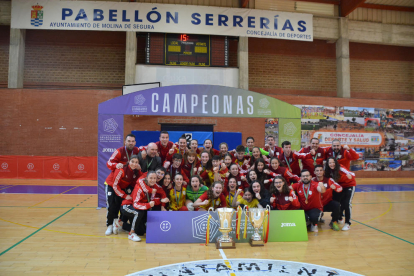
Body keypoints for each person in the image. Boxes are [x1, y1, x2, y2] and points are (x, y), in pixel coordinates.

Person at [104, 154, 142, 236]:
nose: (134, 164)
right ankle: (109, 225)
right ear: (129, 161)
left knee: (120, 206)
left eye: (136, 162)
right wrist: (124, 195)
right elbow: (115, 185)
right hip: (111, 185)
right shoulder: (121, 169)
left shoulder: (136, 171)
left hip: (121, 188)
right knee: (111, 206)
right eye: (132, 162)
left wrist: (140, 171)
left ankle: (117, 223)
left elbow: (139, 179)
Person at [120, 171, 163, 242]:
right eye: (151, 178)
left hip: (137, 208)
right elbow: (136, 204)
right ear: (146, 178)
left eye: (154, 178)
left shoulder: (152, 188)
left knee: (141, 231)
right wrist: (148, 205)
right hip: (127, 206)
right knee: (138, 213)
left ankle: (121, 224)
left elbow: (151, 200)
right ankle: (131, 234)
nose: (153, 180)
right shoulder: (139, 188)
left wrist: (161, 200)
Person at [324, 157, 356, 231]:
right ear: (327, 164)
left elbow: (352, 173)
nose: (332, 164)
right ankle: (339, 218)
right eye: (330, 163)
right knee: (337, 202)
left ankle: (347, 223)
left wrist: (350, 176)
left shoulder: (340, 167)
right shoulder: (328, 171)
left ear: (335, 162)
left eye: (333, 162)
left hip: (349, 185)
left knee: (346, 204)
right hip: (339, 186)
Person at [312, 164, 342, 231]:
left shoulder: (329, 180)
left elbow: (340, 188)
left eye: (320, 170)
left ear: (323, 171)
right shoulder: (311, 181)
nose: (319, 172)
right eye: (317, 171)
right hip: (316, 205)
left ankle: (334, 222)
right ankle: (313, 222)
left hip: (327, 203)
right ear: (314, 172)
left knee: (336, 205)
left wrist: (336, 188)